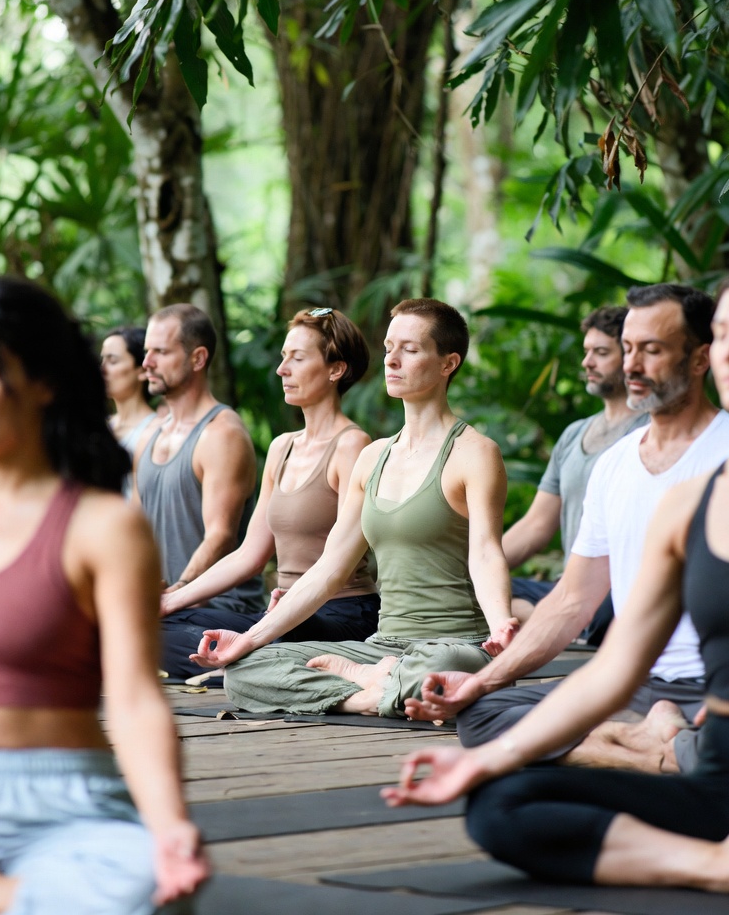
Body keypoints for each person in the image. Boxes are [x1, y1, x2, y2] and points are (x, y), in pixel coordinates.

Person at [384, 263, 729, 900]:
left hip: (720, 732)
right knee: (502, 801)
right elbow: (614, 662)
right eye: (725, 331)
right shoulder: (689, 505)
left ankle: (680, 766)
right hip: (726, 778)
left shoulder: (721, 452)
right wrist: (482, 756)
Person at [405, 284, 729, 775]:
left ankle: (655, 746)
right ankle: (655, 750)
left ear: (700, 359)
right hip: (632, 683)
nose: (632, 365)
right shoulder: (614, 465)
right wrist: (480, 682)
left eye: (652, 350)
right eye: (628, 348)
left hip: (722, 686)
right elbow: (570, 601)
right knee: (482, 714)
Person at [191, 298, 516, 718]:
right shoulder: (374, 457)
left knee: (440, 668)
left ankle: (383, 681)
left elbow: (487, 551)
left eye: (410, 350)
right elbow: (329, 569)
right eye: (388, 348)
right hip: (381, 645)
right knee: (246, 670)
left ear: (447, 363)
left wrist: (503, 629)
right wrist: (250, 638)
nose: (392, 360)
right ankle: (372, 690)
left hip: (454, 644)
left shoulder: (474, 453)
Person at [0, 277, 207, 914]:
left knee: (142, 889)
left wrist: (169, 828)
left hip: (66, 801)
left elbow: (138, 696)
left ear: (43, 384)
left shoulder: (103, 527)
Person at [159, 307, 380, 680]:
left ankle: (246, 661)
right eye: (283, 358)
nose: (282, 370)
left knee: (273, 636)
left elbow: (339, 560)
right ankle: (246, 664)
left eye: (297, 358)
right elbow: (250, 554)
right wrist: (172, 599)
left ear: (335, 369)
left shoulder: (352, 446)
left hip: (341, 614)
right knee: (155, 627)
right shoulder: (282, 447)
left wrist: (285, 610)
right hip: (280, 613)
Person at [506, 306, 646, 643]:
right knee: (476, 589)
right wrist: (473, 570)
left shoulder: (651, 431)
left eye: (600, 352)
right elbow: (536, 525)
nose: (587, 363)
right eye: (586, 352)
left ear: (630, 356)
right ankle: (542, 617)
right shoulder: (573, 435)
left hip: (614, 593)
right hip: (565, 590)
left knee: (608, 611)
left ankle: (548, 620)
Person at [133, 304, 265, 632]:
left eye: (160, 352)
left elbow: (220, 535)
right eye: (147, 351)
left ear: (198, 358)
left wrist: (178, 592)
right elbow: (135, 527)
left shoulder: (222, 434)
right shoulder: (150, 433)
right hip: (164, 610)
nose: (147, 362)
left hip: (221, 611)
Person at [101, 326, 157, 499]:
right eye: (102, 360)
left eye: (113, 361)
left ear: (141, 370)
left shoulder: (157, 431)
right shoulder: (100, 427)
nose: (102, 369)